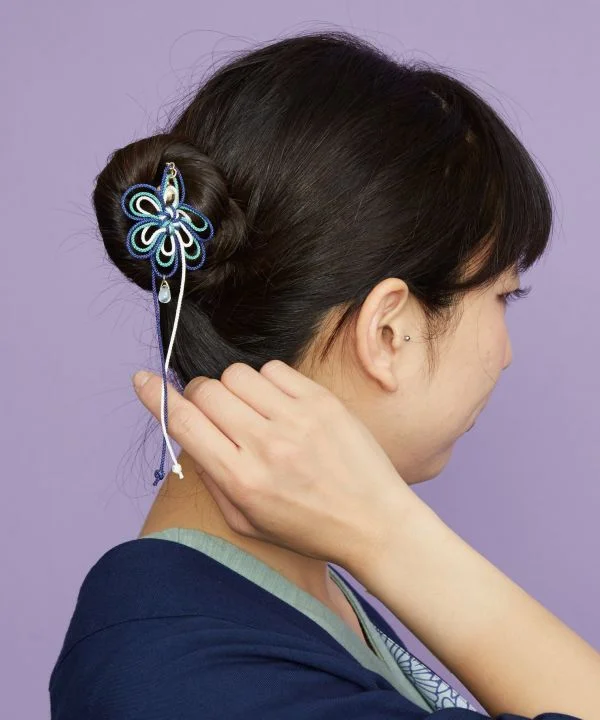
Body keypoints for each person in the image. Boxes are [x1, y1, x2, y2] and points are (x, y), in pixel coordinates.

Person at [48, 30, 599, 719]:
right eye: (502, 296)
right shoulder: (194, 676)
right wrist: (392, 537)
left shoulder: (281, 593)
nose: (507, 350)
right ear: (388, 331)